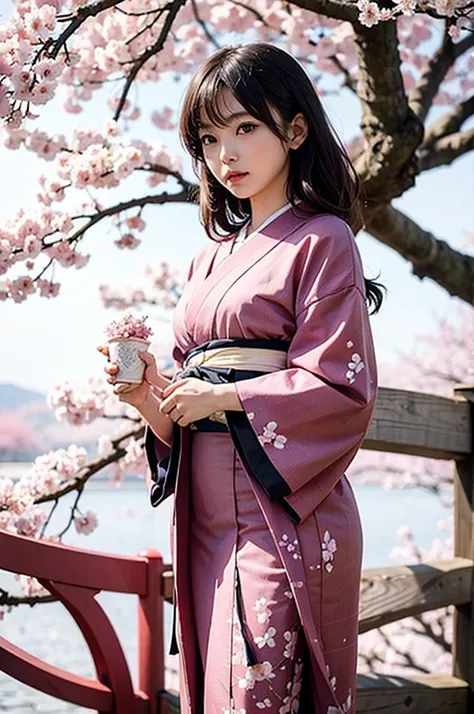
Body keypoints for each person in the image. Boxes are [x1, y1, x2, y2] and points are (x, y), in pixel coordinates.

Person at [98, 42, 383, 714]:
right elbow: (185, 416)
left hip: (281, 514)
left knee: (258, 691)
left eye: (245, 128)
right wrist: (149, 397)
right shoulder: (204, 262)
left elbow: (341, 388)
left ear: (294, 129)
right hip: (202, 523)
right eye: (209, 137)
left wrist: (224, 395)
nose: (226, 153)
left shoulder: (323, 239)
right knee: (212, 690)